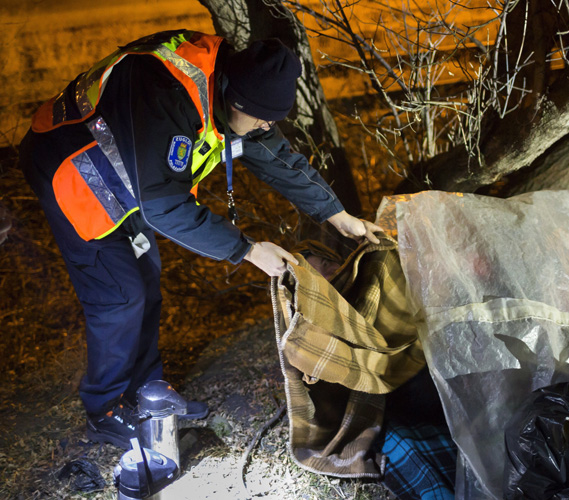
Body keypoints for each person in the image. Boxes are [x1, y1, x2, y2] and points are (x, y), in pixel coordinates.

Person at [19, 30, 382, 449]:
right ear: (236, 101)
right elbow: (162, 202)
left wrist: (339, 216)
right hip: (72, 170)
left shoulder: (237, 89)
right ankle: (105, 411)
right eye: (263, 118)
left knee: (146, 285)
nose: (267, 126)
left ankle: (149, 395)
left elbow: (277, 157)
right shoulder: (167, 94)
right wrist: (247, 249)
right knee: (120, 296)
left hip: (131, 181)